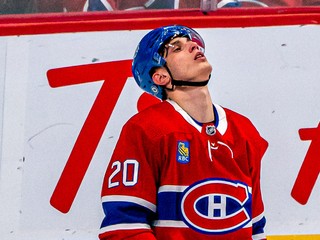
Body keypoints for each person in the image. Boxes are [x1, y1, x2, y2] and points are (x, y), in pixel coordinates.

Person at [99, 25, 268, 240]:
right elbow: (124, 227)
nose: (193, 45)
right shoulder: (146, 129)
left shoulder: (244, 131)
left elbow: (255, 227)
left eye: (192, 43)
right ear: (161, 77)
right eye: (177, 48)